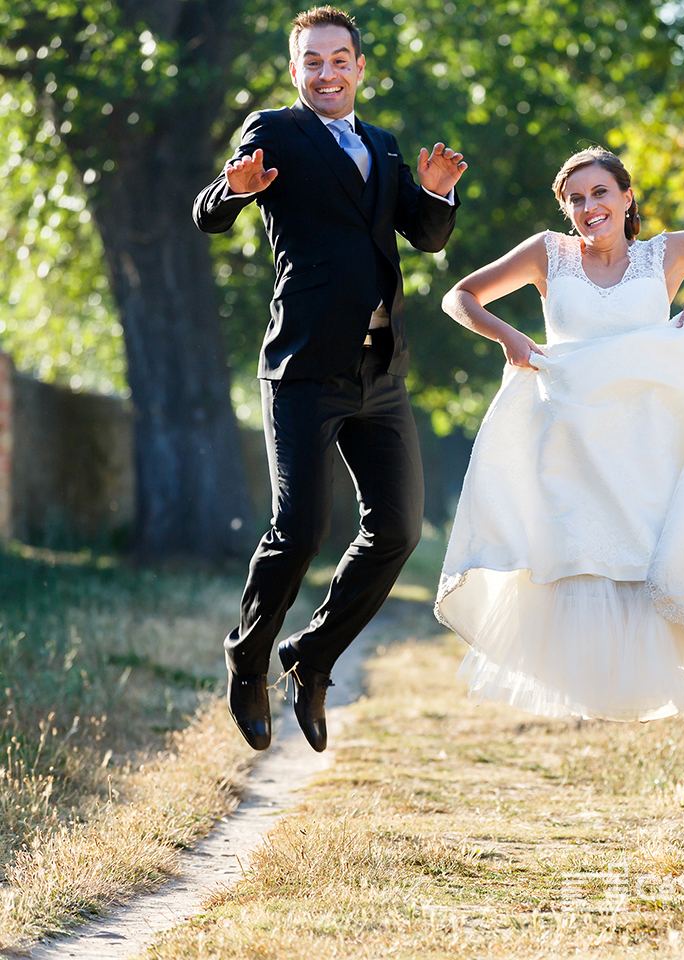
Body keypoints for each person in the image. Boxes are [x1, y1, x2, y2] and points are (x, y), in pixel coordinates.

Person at [434, 147, 684, 721]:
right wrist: (508, 337)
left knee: (640, 555)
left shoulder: (666, 253)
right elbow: (460, 297)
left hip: (643, 445)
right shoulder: (547, 254)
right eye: (575, 200)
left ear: (627, 198)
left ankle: (638, 690)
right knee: (576, 553)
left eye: (600, 193)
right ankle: (578, 696)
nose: (588, 207)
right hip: (569, 439)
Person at [193, 6, 466, 753]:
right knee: (301, 529)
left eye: (339, 59)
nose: (326, 72)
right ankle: (248, 660)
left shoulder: (381, 144)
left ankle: (310, 659)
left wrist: (436, 190)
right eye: (311, 61)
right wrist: (237, 188)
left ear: (359, 67)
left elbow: (426, 235)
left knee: (400, 531)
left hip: (381, 370)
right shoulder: (274, 132)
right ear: (295, 70)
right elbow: (209, 214)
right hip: (304, 367)